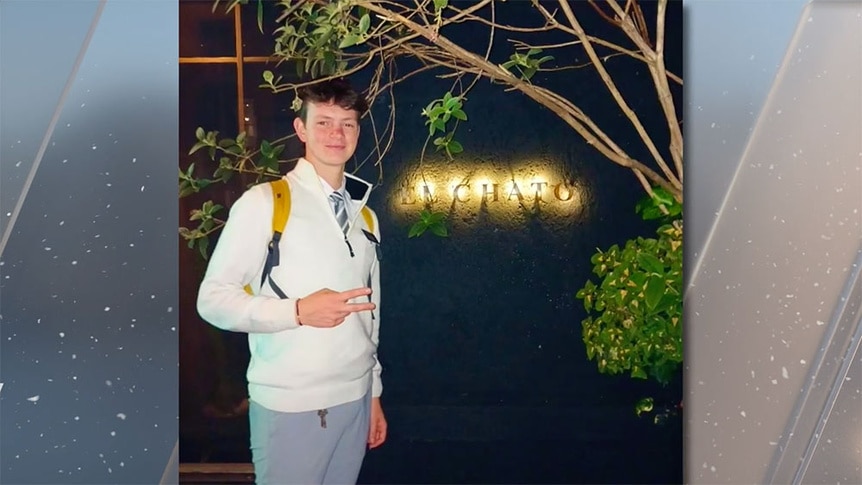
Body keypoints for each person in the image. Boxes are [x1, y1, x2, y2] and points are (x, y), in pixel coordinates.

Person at [196, 78, 387, 485]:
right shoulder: (265, 203)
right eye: (323, 122)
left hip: (354, 399)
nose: (336, 134)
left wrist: (373, 393)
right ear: (301, 129)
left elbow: (370, 318)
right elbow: (212, 300)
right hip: (292, 404)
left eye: (348, 124)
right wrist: (297, 311)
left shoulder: (364, 217)